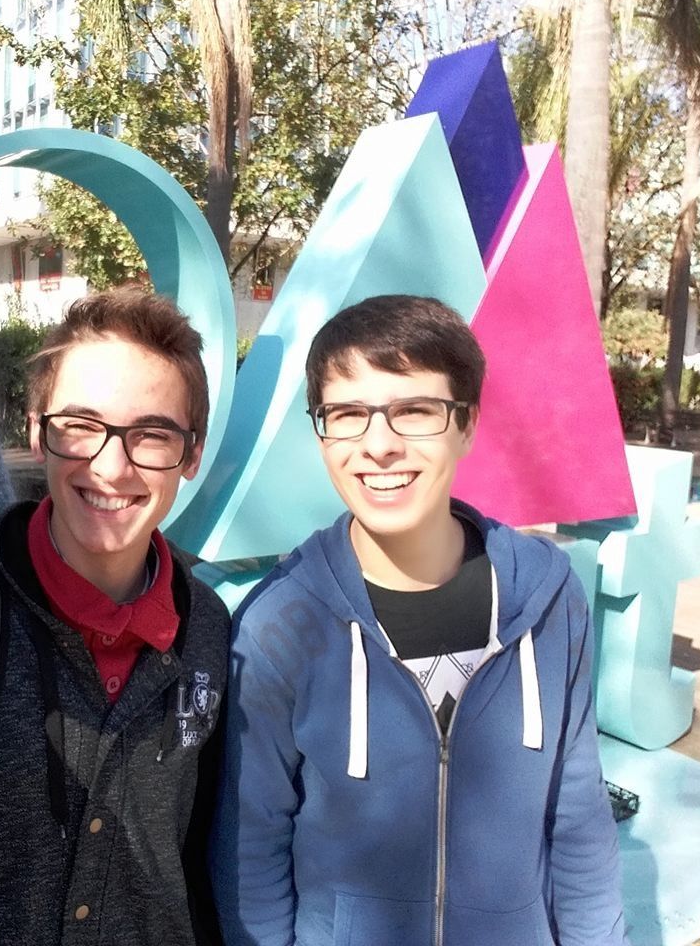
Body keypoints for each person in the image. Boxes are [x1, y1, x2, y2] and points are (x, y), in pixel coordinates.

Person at [211, 295, 628, 946]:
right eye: (347, 415)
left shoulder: (549, 601)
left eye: (415, 411)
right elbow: (251, 851)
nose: (379, 445)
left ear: (466, 425)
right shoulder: (281, 624)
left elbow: (575, 815)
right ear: (321, 433)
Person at [0, 288, 229, 946]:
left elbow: (202, 859)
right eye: (80, 426)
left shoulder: (208, 632)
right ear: (36, 429)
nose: (110, 467)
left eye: (152, 435)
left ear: (190, 456)